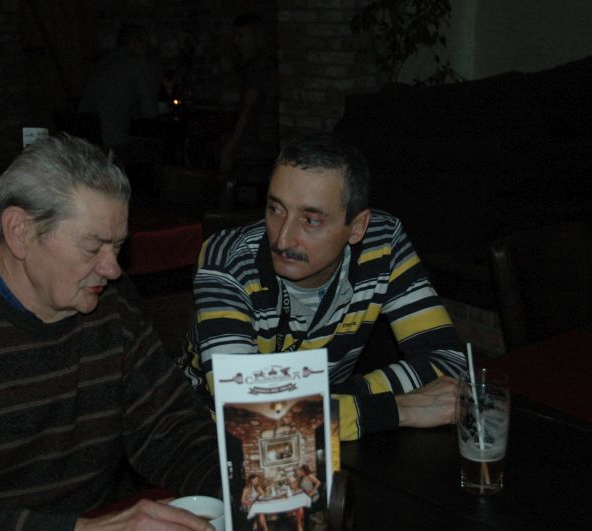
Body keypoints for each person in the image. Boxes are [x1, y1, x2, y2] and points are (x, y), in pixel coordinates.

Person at [0, 135, 219, 530]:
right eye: (93, 247)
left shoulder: (113, 307)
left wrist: (247, 485)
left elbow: (171, 430)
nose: (113, 268)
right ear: (20, 232)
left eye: (117, 247)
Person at [179, 133, 467, 441]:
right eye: (276, 209)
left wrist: (324, 405)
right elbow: (246, 415)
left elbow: (450, 363)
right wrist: (400, 408)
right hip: (202, 436)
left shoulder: (382, 242)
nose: (282, 239)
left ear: (357, 227)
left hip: (329, 436)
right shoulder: (225, 261)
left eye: (311, 220)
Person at [218, 13, 279, 201]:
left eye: (241, 36)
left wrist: (230, 147)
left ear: (254, 37)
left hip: (254, 145)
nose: (236, 42)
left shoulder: (257, 67)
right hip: (262, 143)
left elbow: (248, 109)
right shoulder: (262, 63)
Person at [79, 23, 160, 151]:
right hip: (112, 142)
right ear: (134, 43)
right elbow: (150, 112)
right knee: (157, 147)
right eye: (146, 43)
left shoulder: (102, 62)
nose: (149, 48)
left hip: (84, 139)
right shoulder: (137, 63)